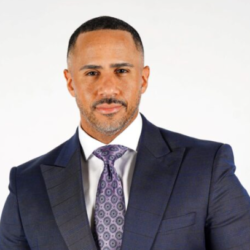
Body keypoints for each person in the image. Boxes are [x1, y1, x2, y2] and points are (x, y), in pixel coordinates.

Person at [0, 16, 249, 250]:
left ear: (142, 79)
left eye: (121, 71)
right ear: (70, 82)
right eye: (91, 73)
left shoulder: (206, 167)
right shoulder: (27, 185)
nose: (108, 88)